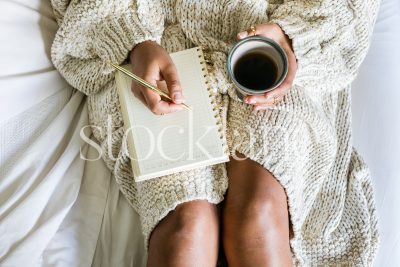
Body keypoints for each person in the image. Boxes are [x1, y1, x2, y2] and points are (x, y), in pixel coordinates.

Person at [51, 0, 380, 266]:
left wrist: (294, 36)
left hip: (271, 46)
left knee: (258, 217)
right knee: (186, 231)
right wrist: (135, 42)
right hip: (157, 51)